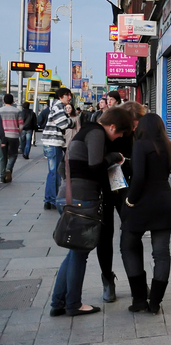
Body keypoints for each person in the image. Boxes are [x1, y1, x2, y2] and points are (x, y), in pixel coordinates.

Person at [49, 106, 133, 318]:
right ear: (111, 126)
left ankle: (58, 302)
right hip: (82, 199)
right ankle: (73, 304)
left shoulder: (83, 132)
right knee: (80, 253)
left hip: (67, 195)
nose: (120, 137)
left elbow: (64, 167)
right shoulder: (96, 132)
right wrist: (113, 156)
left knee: (74, 252)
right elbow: (96, 165)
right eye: (120, 132)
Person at [121, 113, 171, 314]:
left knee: (127, 247)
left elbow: (139, 177)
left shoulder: (141, 145)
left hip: (142, 204)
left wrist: (130, 200)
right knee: (161, 254)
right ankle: (155, 302)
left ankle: (139, 300)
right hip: (164, 202)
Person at [96, 100, 146, 303]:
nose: (133, 129)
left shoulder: (137, 135)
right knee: (104, 236)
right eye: (132, 125)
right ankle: (107, 279)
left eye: (137, 125)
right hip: (105, 189)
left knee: (132, 234)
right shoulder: (106, 134)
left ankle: (138, 281)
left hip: (126, 188)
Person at [41, 89, 73, 211]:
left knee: (53, 172)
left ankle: (49, 199)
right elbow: (64, 124)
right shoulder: (58, 106)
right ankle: (52, 199)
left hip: (51, 142)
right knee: (54, 172)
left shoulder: (56, 106)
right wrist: (70, 121)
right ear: (61, 96)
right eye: (67, 95)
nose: (69, 98)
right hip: (53, 142)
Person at [0, 94, 23, 183]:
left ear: (3, 101)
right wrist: (18, 132)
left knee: (2, 157)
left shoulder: (0, 111)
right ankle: (8, 169)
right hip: (14, 135)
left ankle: (2, 176)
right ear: (13, 101)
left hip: (2, 136)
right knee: (13, 154)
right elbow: (21, 124)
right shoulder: (17, 111)